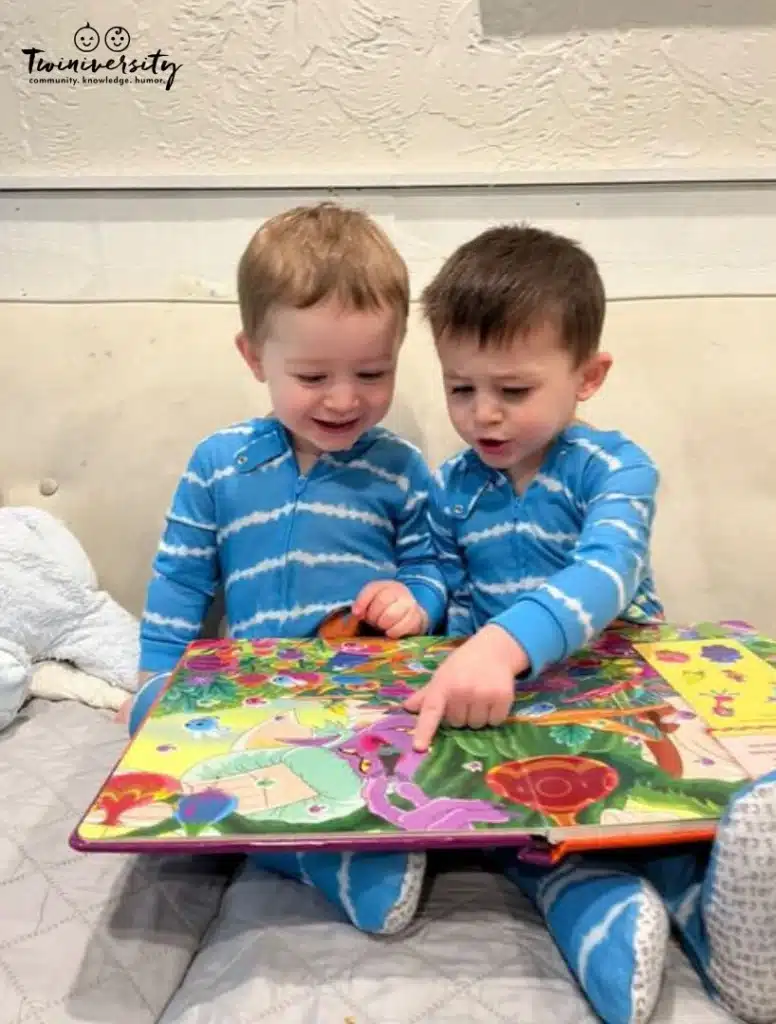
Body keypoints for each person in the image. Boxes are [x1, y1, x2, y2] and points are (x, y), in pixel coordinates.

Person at [406, 223, 776, 1024]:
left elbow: (607, 574)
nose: (483, 416)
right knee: (508, 819)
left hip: (621, 683)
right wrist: (415, 601)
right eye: (460, 388)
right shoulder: (452, 484)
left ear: (589, 376)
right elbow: (443, 579)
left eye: (513, 389)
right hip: (512, 707)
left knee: (665, 815)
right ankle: (593, 907)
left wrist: (503, 644)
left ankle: (714, 913)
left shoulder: (617, 468)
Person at [126, 201, 446, 936]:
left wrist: (415, 600)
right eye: (311, 375)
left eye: (373, 371)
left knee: (423, 743)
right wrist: (155, 674)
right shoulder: (220, 462)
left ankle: (352, 840)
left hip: (360, 688)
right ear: (253, 357)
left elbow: (433, 566)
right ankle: (315, 859)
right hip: (246, 695)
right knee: (152, 721)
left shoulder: (399, 469)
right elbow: (181, 577)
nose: (344, 399)